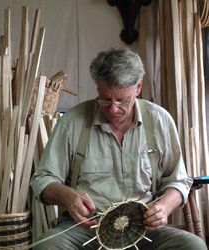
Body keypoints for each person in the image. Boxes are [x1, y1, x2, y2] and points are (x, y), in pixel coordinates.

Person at [30, 48, 207, 249]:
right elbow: (42, 178)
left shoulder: (159, 121)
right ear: (98, 88)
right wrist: (66, 195)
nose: (113, 109)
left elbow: (178, 180)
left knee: (193, 246)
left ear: (138, 88)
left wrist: (164, 207)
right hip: (87, 227)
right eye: (105, 99)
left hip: (143, 228)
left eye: (121, 100)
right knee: (47, 247)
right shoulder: (73, 122)